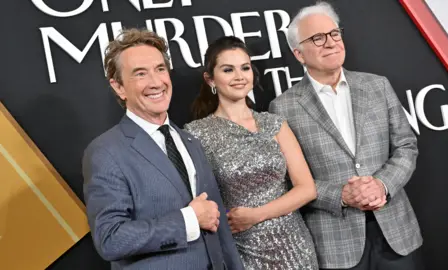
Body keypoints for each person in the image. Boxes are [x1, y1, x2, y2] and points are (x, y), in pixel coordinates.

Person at [269, 2, 423, 270]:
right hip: (336, 243)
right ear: (299, 54)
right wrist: (341, 195)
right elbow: (288, 180)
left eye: (334, 34)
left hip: (396, 233)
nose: (330, 43)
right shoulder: (283, 107)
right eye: (317, 38)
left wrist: (382, 185)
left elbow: (406, 146)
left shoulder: (377, 86)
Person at [82, 28, 243, 270]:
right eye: (140, 74)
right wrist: (188, 219)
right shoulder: (105, 152)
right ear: (119, 87)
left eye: (160, 69)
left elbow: (218, 226)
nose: (156, 82)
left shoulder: (190, 141)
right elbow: (110, 239)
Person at [184, 36, 319, 269]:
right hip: (241, 252)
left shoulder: (274, 124)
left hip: (295, 248)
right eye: (228, 69)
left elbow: (307, 189)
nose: (239, 76)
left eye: (245, 68)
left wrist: (257, 215)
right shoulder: (196, 134)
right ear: (210, 79)